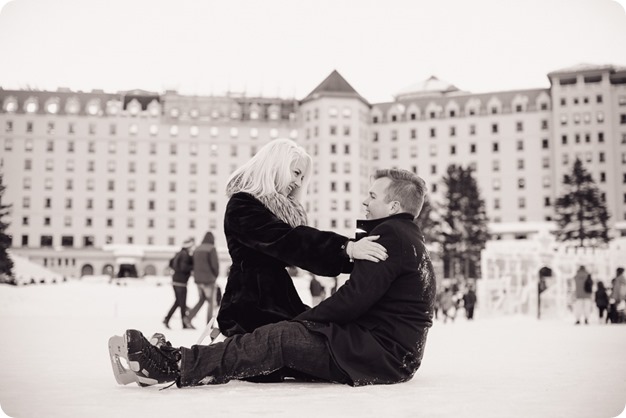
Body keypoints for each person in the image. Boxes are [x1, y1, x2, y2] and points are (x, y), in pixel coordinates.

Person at [111, 168, 436, 388]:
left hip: (381, 355)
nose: (365, 201)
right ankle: (181, 360)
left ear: (394, 205)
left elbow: (353, 299)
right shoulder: (404, 237)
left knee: (281, 338)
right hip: (381, 351)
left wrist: (305, 323)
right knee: (275, 344)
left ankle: (174, 366)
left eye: (373, 197)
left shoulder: (390, 236)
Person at [205, 138, 387, 342]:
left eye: (302, 177)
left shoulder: (271, 208)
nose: (298, 183)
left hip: (276, 298)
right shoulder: (242, 204)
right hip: (249, 305)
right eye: (296, 173)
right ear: (276, 167)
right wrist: (346, 248)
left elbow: (295, 242)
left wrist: (353, 257)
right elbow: (288, 240)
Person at [187, 232, 220, 327]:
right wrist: (215, 276)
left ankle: (189, 317)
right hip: (209, 280)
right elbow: (215, 265)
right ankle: (209, 324)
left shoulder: (197, 248)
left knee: (202, 299)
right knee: (211, 302)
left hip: (198, 280)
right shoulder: (211, 248)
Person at [163, 238, 195, 330]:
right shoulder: (185, 255)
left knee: (178, 302)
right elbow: (184, 267)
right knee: (182, 303)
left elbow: (171, 263)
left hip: (176, 280)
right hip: (181, 282)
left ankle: (167, 319)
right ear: (188, 247)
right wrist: (192, 266)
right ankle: (183, 324)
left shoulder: (178, 254)